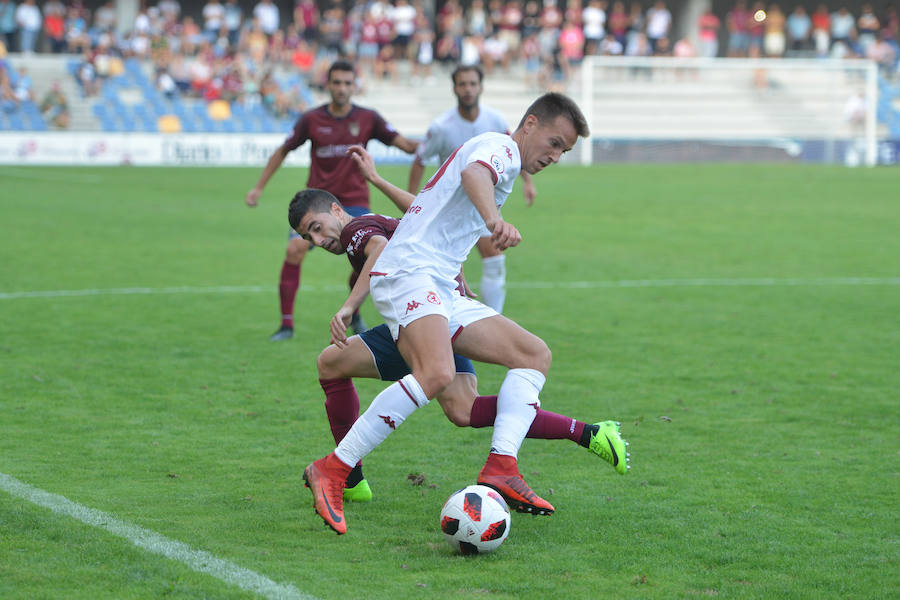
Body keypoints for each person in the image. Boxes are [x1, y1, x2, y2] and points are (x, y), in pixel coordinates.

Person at [303, 93, 629, 535]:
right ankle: (334, 469)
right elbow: (476, 175)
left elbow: (427, 206)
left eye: (564, 151)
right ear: (530, 124)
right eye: (554, 143)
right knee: (435, 373)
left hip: (439, 283)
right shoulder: (501, 150)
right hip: (410, 276)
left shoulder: (501, 157)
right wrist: (494, 220)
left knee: (533, 355)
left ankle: (501, 465)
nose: (555, 156)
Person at [245, 59, 417, 341]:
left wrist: (440, 143)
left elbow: (406, 145)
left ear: (354, 85)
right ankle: (286, 324)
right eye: (337, 82)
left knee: (365, 255)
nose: (342, 88)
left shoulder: (368, 118)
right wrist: (258, 187)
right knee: (294, 251)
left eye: (347, 83)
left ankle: (355, 311)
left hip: (355, 202)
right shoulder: (311, 119)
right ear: (328, 84)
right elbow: (283, 150)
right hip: (317, 206)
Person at [407, 65, 536, 315]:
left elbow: (514, 150)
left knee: (495, 261)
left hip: (483, 204)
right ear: (454, 88)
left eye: (472, 84)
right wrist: (413, 202)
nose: (468, 89)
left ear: (481, 87)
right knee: (442, 269)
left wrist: (528, 182)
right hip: (448, 209)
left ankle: (494, 318)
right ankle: (434, 316)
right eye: (462, 84)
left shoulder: (495, 120)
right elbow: (420, 159)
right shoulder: (441, 126)